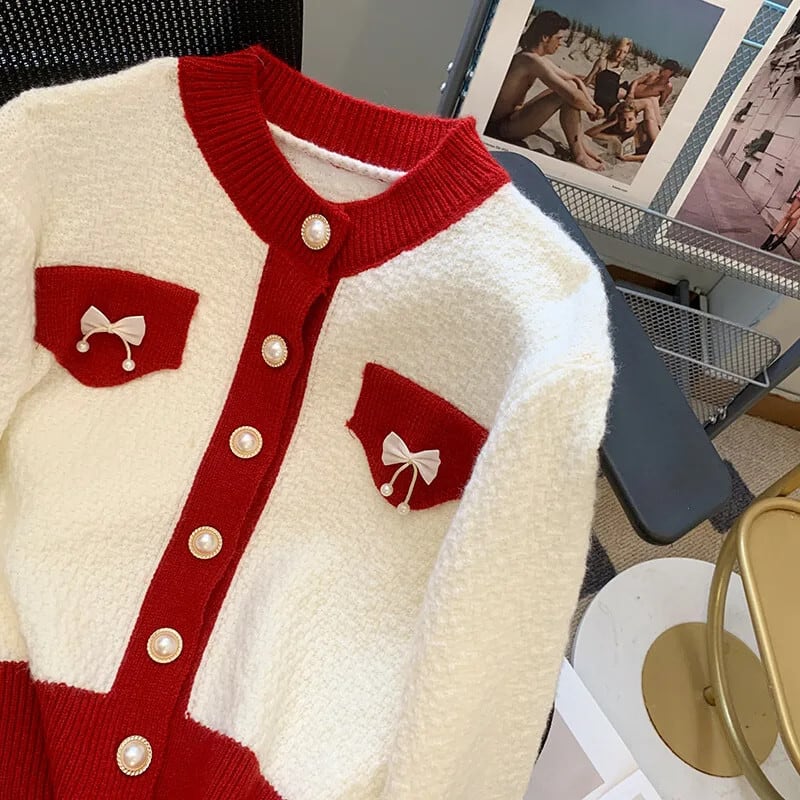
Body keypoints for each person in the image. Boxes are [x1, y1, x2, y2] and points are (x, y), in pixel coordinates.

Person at [487, 10, 606, 171]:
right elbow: (574, 97)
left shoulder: (535, 58)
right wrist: (594, 111)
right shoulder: (530, 60)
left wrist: (593, 105)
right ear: (545, 37)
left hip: (514, 115)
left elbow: (575, 79)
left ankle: (582, 148)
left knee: (570, 86)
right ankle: (579, 154)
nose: (560, 43)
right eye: (558, 38)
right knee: (566, 96)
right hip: (501, 127)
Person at [586, 100, 660, 162]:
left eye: (630, 119)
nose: (626, 124)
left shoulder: (647, 126)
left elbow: (659, 153)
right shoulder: (619, 136)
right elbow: (589, 134)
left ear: (636, 118)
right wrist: (612, 122)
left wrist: (630, 158)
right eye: (622, 120)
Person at [585, 37, 633, 119]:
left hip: (613, 106)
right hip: (599, 104)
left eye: (624, 52)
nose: (620, 54)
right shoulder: (602, 62)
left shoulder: (621, 69)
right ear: (614, 49)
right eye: (619, 50)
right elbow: (588, 80)